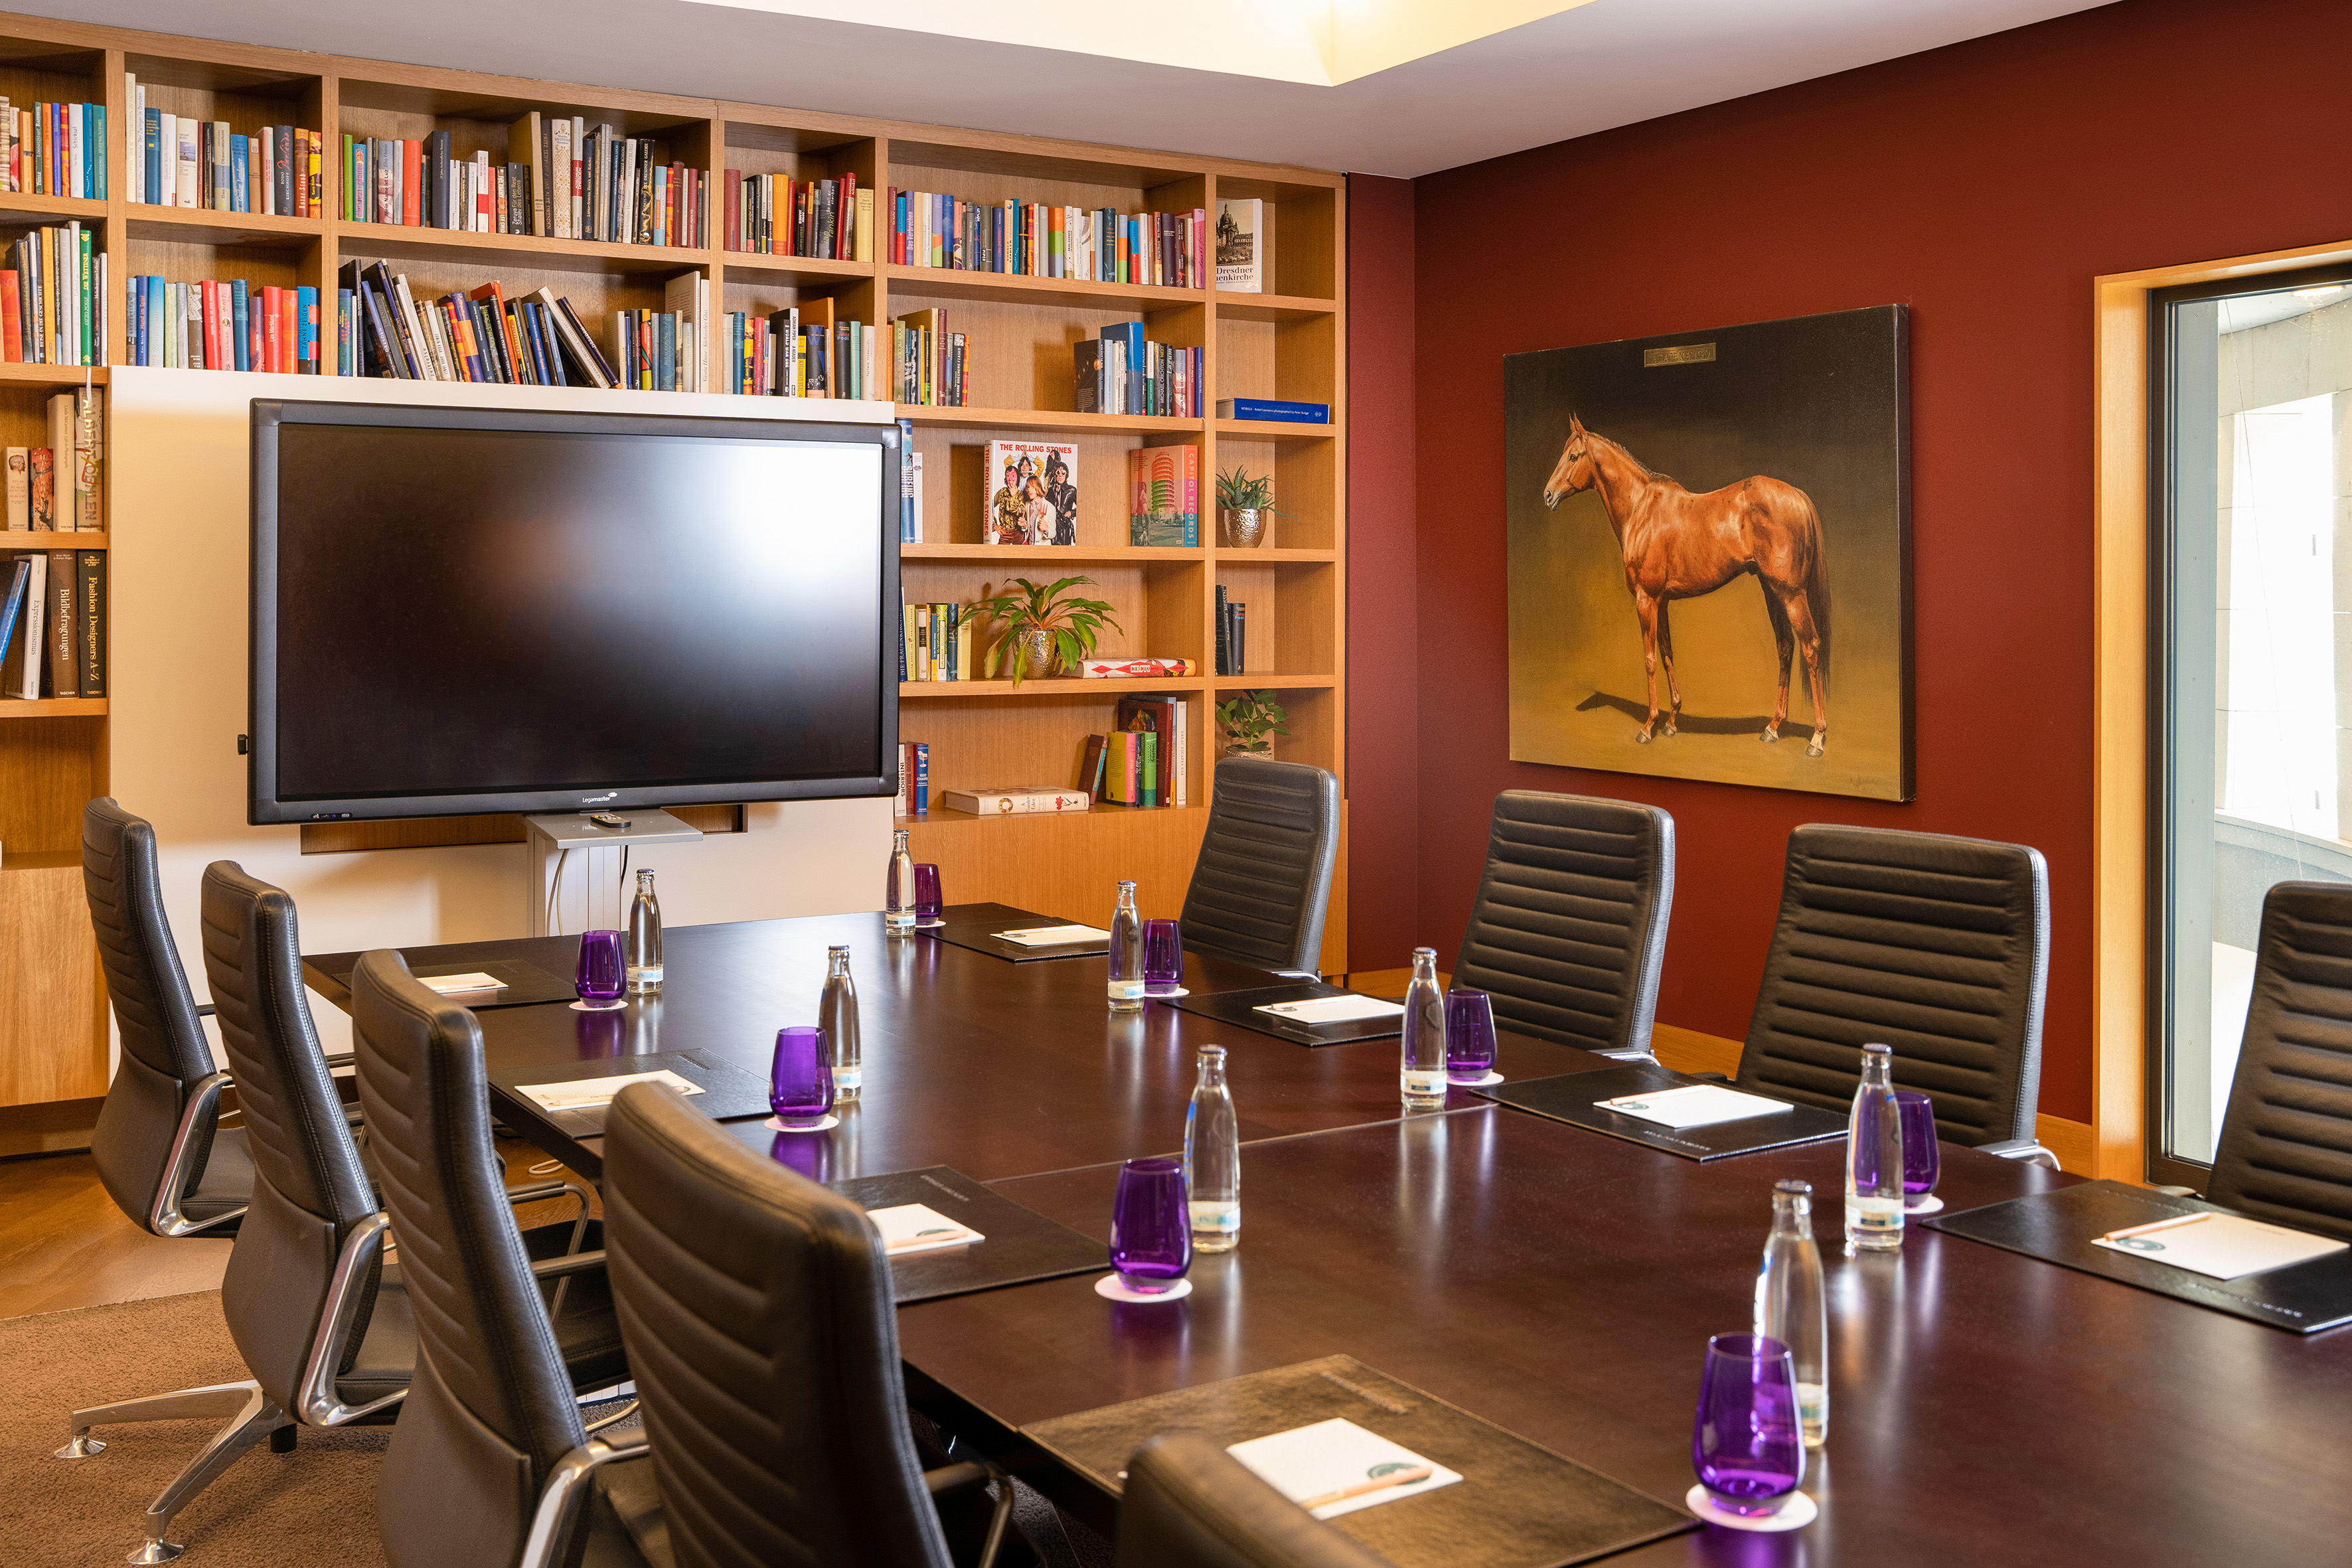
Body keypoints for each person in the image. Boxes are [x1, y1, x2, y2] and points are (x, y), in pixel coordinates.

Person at [1045, 452, 1077, 546]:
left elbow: (1084, 507)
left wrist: (1072, 513)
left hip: (1064, 525)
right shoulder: (1051, 490)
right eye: (1058, 473)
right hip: (1051, 525)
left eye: (1063, 473)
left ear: (1066, 475)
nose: (1060, 476)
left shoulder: (1071, 490)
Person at [990, 461, 1026, 545]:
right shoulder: (1002, 492)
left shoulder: (1021, 494)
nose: (1011, 479)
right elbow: (989, 507)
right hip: (1005, 533)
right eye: (1008, 476)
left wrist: (1014, 496)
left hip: (1018, 534)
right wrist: (994, 525)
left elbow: (1021, 513)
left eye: (1013, 476)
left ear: (1018, 478)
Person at [1022, 475, 1054, 546]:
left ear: (1038, 488)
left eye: (1032, 487)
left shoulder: (1050, 507)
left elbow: (1054, 533)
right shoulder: (1027, 504)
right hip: (1029, 547)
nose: (1029, 490)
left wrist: (1046, 529)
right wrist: (1024, 525)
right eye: (1028, 487)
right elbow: (1030, 527)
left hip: (1042, 548)